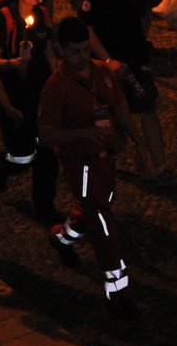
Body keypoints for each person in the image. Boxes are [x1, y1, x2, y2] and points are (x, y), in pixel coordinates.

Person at [39, 17, 141, 319]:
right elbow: (46, 135)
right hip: (80, 163)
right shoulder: (55, 88)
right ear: (60, 49)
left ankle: (61, 237)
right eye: (74, 52)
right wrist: (83, 134)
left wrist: (137, 141)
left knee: (96, 208)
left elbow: (119, 106)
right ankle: (117, 290)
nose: (81, 57)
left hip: (105, 158)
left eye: (85, 50)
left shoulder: (101, 73)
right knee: (103, 224)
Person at [0, 0, 62, 225]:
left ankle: (44, 205)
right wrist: (14, 63)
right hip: (15, 91)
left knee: (47, 151)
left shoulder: (43, 15)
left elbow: (49, 48)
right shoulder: (4, 17)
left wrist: (56, 76)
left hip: (41, 90)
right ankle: (4, 165)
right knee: (23, 153)